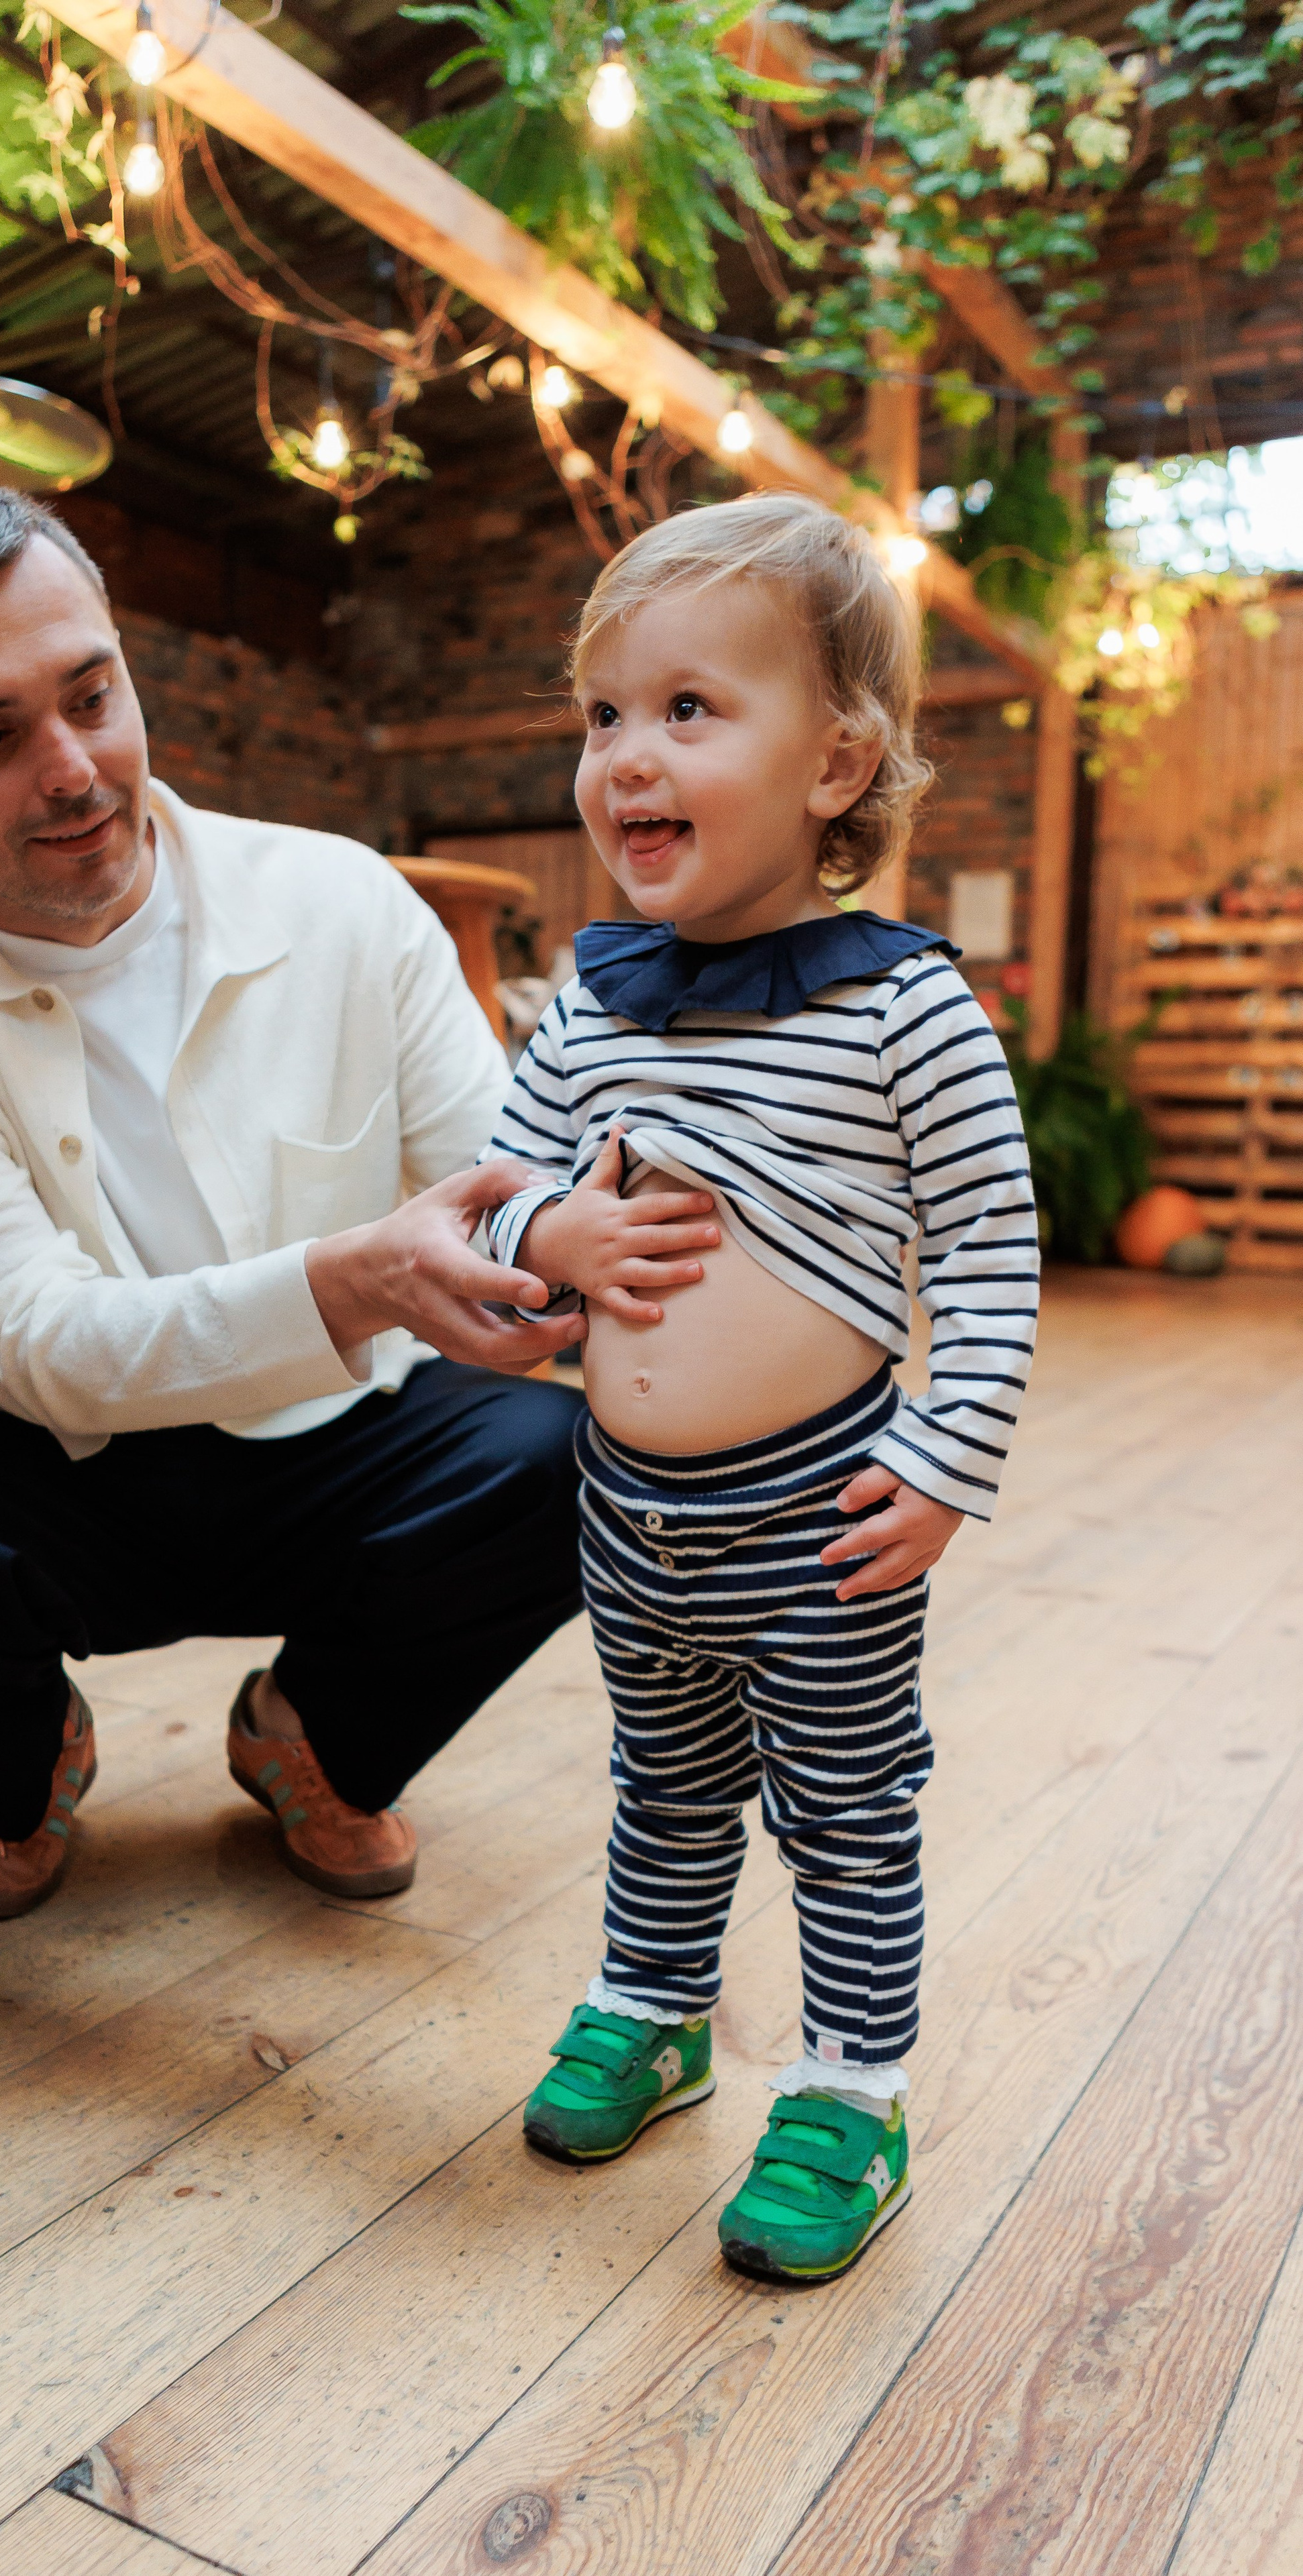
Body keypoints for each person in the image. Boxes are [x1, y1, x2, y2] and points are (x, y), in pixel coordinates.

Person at [0, 476, 712, 1926]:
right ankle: (24, 1761)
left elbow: (494, 1187)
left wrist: (580, 1240)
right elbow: (23, 1335)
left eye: (93, 696)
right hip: (46, 1458)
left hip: (345, 1443)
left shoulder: (342, 901)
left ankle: (310, 1734)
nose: (73, 768)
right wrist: (356, 1282)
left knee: (579, 1464)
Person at [480, 494, 1038, 2285]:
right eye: (602, 717)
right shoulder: (592, 1001)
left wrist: (945, 1464)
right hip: (632, 1518)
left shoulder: (903, 1011)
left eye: (689, 712)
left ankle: (851, 2092)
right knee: (661, 1779)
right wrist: (548, 1229)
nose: (628, 758)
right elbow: (494, 1187)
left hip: (823, 1523)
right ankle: (651, 2005)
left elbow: (991, 1250)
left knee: (847, 1813)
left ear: (837, 763)